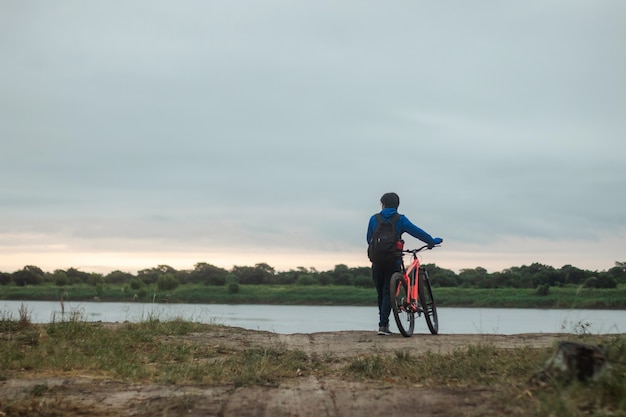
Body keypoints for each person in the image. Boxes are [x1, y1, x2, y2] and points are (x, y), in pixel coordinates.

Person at [366, 192, 442, 335]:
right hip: (393, 259)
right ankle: (383, 326)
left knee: (380, 292)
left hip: (376, 260)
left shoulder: (374, 219)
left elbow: (369, 238)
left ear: (382, 204)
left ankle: (383, 325)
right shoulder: (400, 219)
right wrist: (431, 241)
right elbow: (417, 232)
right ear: (397, 205)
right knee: (389, 291)